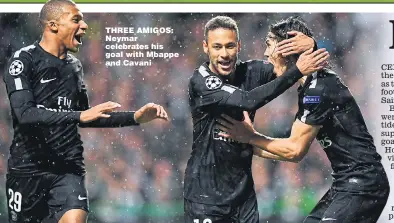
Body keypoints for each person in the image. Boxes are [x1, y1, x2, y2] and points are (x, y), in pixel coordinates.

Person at [3, 0, 169, 222]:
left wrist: (134, 117)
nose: (84, 26)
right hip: (27, 170)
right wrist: (79, 115)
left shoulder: (74, 66)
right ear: (53, 25)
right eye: (76, 19)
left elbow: (87, 116)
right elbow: (25, 114)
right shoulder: (23, 61)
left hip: (67, 169)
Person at [216, 16, 390, 223]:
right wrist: (245, 144)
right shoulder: (312, 87)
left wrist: (250, 138)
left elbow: (294, 150)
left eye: (269, 45)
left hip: (364, 184)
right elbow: (291, 151)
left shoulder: (319, 89)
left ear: (287, 49)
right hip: (346, 183)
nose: (265, 53)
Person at [184, 15, 329, 223]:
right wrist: (297, 71)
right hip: (206, 199)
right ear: (206, 47)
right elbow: (247, 100)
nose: (224, 54)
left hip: (244, 200)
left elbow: (294, 65)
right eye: (217, 47)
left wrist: (312, 45)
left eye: (229, 46)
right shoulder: (201, 82)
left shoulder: (250, 72)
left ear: (239, 45)